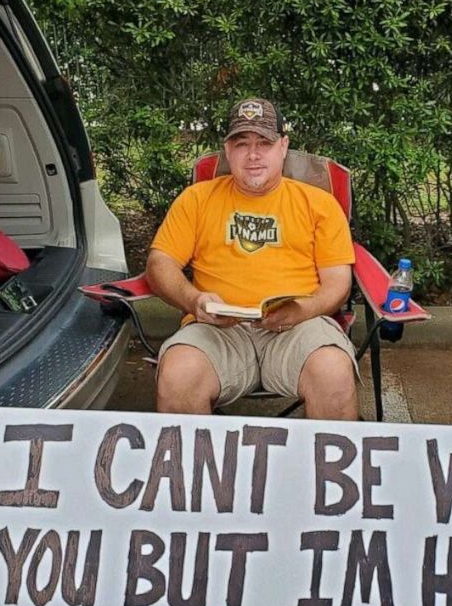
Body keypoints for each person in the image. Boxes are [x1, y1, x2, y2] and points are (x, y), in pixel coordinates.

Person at [146, 97, 359, 420]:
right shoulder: (197, 199)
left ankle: (319, 472)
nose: (254, 154)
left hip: (300, 327)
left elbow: (338, 282)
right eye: (242, 143)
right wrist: (193, 300)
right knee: (178, 374)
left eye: (264, 143)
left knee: (333, 373)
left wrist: (304, 310)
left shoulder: (319, 204)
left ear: (283, 146)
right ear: (227, 150)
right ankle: (192, 472)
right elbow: (159, 264)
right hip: (217, 329)